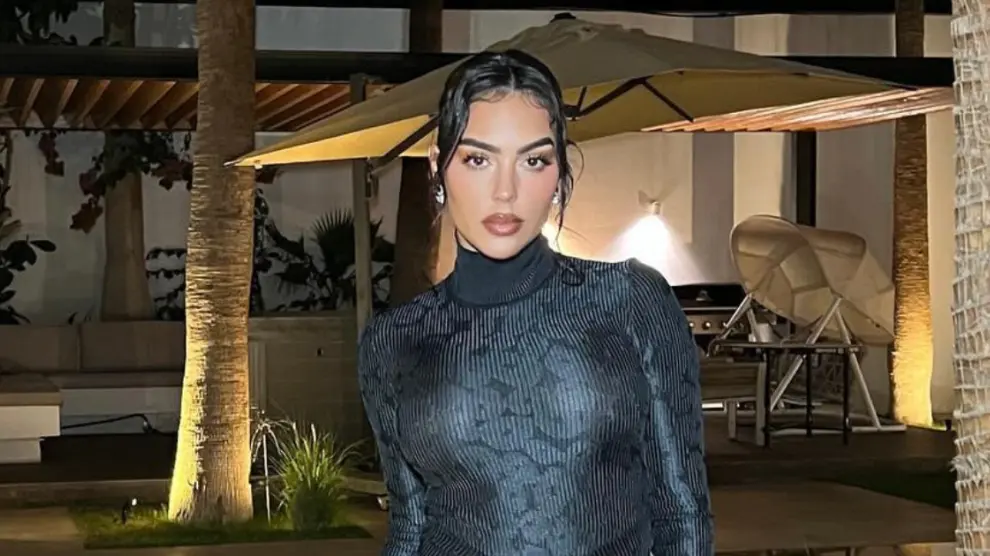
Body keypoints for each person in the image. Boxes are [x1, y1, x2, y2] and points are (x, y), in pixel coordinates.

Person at [358, 48, 713, 556]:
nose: (505, 191)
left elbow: (682, 515)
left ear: (559, 172)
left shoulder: (628, 300)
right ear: (438, 167)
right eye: (478, 159)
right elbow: (410, 527)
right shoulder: (393, 339)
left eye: (533, 160)